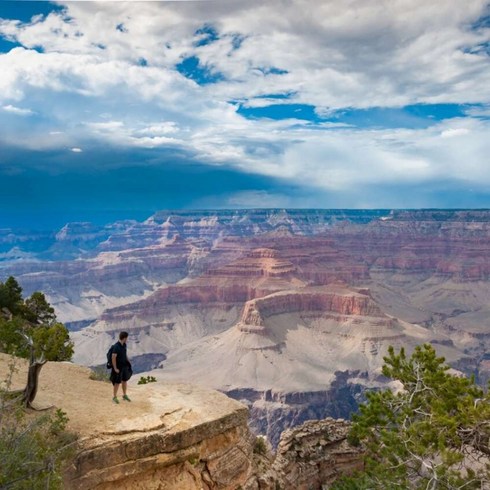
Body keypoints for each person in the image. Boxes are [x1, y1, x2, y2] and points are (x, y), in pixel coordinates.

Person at [111, 331, 132, 404]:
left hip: (124, 366)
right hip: (119, 367)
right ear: (124, 338)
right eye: (127, 338)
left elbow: (124, 354)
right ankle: (114, 397)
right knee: (117, 382)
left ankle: (124, 395)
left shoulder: (124, 345)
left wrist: (128, 361)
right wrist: (115, 368)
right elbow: (113, 357)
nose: (127, 339)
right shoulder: (116, 346)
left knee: (124, 380)